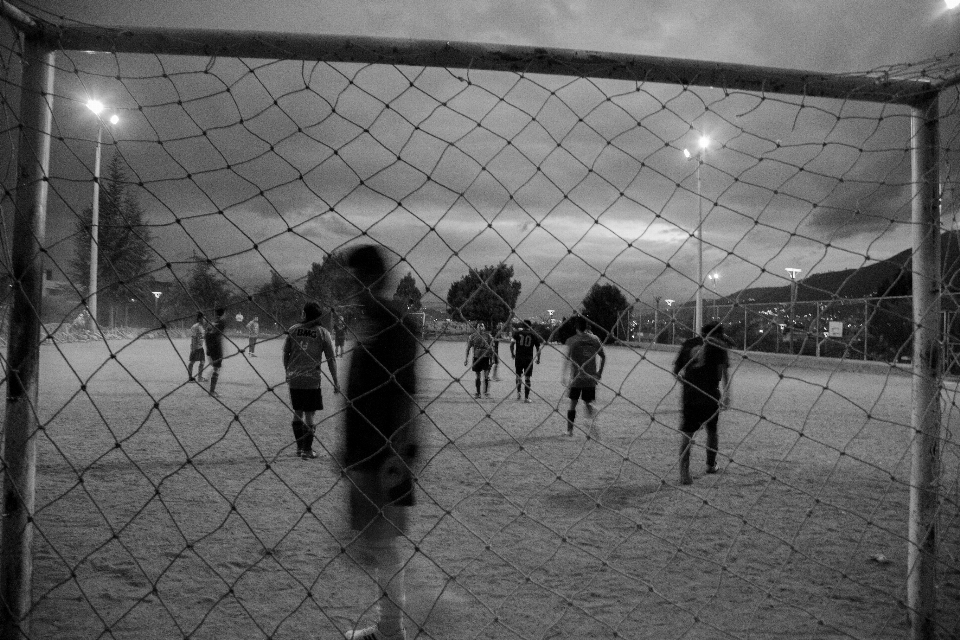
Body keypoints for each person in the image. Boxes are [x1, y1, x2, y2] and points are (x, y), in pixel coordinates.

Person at [340, 244, 421, 640]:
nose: (351, 285)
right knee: (374, 540)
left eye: (356, 277)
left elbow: (405, 392)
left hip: (385, 451)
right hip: (367, 449)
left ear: (372, 278)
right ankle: (390, 627)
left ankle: (392, 630)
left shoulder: (394, 322)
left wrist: (398, 453)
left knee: (379, 543)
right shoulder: (371, 321)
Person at [673, 321, 732, 485]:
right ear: (718, 334)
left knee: (687, 434)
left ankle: (684, 473)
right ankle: (710, 465)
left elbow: (676, 372)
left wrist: (688, 383)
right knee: (712, 431)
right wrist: (726, 395)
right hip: (710, 395)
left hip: (690, 395)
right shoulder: (719, 346)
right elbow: (722, 374)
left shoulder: (688, 344)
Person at [282, 302, 339, 459]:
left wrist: (288, 371)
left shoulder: (293, 330)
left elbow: (285, 354)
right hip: (312, 380)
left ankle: (299, 448)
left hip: (294, 378)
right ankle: (308, 450)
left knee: (297, 412)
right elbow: (331, 359)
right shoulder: (323, 333)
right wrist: (335, 381)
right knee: (310, 415)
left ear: (305, 315)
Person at [562, 316, 606, 439]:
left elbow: (567, 359)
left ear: (576, 328)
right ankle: (594, 423)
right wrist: (599, 373)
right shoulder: (595, 339)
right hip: (590, 378)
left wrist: (563, 376)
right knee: (588, 403)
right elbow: (603, 356)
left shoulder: (572, 340)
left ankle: (569, 431)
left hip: (577, 379)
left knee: (572, 404)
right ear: (586, 327)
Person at [510, 320, 543, 403]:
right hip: (528, 359)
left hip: (519, 357)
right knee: (527, 378)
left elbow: (511, 344)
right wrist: (538, 359)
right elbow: (538, 349)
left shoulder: (517, 333)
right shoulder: (533, 335)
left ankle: (518, 392)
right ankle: (526, 398)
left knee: (518, 375)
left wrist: (512, 353)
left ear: (522, 325)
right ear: (530, 326)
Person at [464, 322, 495, 398]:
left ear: (484, 328)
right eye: (479, 326)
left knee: (486, 376)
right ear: (476, 327)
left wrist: (492, 359)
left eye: (482, 326)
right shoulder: (472, 337)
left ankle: (486, 392)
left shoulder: (488, 336)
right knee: (478, 376)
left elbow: (492, 349)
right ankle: (478, 393)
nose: (481, 327)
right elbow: (468, 348)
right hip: (477, 358)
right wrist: (466, 359)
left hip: (485, 358)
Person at [204, 307, 227, 397]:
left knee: (215, 367)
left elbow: (207, 335)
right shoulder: (222, 323)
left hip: (210, 348)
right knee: (217, 369)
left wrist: (208, 350)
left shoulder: (212, 322)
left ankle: (208, 382)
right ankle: (212, 391)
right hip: (216, 349)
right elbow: (217, 337)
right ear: (224, 313)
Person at [187, 312, 207, 382]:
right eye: (203, 318)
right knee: (192, 362)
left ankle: (199, 377)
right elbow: (193, 337)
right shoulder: (195, 326)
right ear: (199, 319)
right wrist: (193, 348)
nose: (205, 320)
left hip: (200, 347)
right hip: (195, 347)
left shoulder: (201, 327)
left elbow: (202, 336)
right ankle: (190, 377)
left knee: (202, 362)